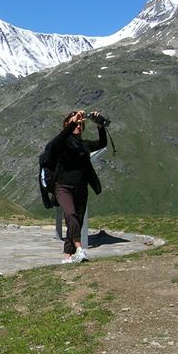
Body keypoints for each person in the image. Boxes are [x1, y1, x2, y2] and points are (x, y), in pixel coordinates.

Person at [45, 109, 107, 263]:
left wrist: (100, 126)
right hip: (62, 186)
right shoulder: (62, 143)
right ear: (66, 124)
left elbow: (102, 143)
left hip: (81, 188)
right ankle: (80, 249)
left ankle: (67, 257)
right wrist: (72, 122)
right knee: (71, 215)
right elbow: (57, 141)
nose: (78, 126)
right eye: (75, 123)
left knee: (76, 221)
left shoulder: (84, 145)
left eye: (80, 124)